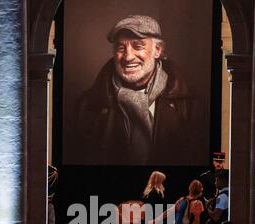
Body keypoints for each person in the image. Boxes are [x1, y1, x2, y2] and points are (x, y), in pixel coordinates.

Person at [75, 15, 193, 165]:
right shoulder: (85, 106)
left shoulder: (189, 105)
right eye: (120, 47)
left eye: (138, 46)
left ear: (157, 50)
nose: (128, 56)